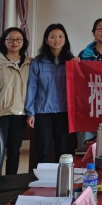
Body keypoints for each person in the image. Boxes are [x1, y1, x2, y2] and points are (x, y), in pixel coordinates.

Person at [0, 27, 32, 175]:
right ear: (4, 41)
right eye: (11, 39)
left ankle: (11, 181)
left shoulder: (29, 63)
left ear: (23, 42)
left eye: (18, 39)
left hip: (20, 113)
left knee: (14, 150)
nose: (15, 42)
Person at [26, 24, 76, 166]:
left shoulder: (71, 62)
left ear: (65, 40)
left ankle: (61, 177)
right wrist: (30, 112)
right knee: (42, 148)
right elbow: (32, 87)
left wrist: (77, 64)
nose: (57, 40)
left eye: (60, 37)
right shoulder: (38, 61)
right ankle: (40, 177)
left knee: (63, 149)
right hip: (43, 111)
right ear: (46, 40)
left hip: (64, 111)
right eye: (53, 37)